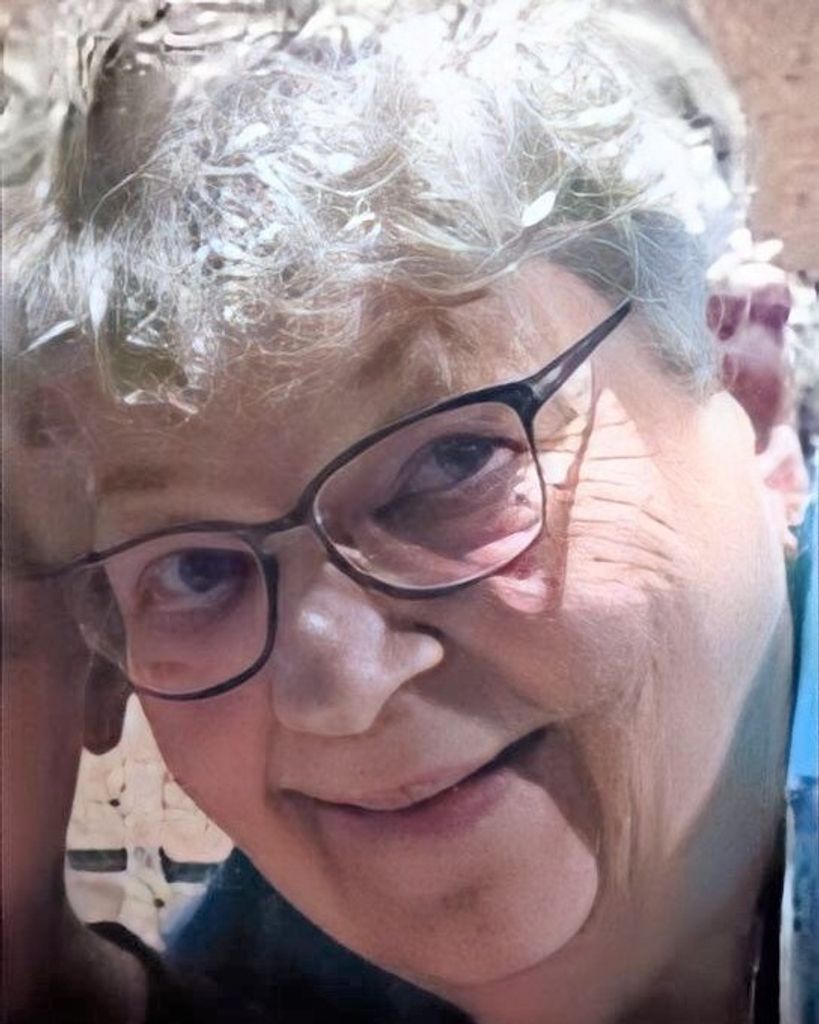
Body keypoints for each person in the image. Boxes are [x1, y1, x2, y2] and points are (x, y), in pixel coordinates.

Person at [3, 1, 816, 1022]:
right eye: (196, 569)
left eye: (451, 461)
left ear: (744, 389)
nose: (339, 688)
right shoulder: (269, 976)